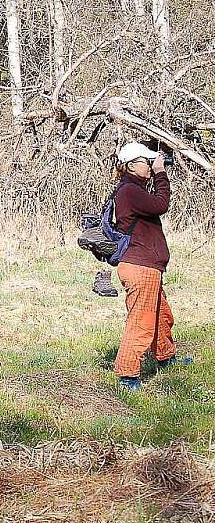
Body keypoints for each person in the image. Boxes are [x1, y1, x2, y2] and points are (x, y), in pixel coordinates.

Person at [112, 142, 176, 391]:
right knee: (141, 321)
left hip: (146, 266)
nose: (150, 165)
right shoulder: (129, 191)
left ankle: (165, 357)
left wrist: (155, 172)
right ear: (130, 165)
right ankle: (127, 375)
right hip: (140, 267)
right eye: (146, 162)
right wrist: (161, 173)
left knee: (161, 314)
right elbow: (161, 205)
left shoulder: (134, 189)